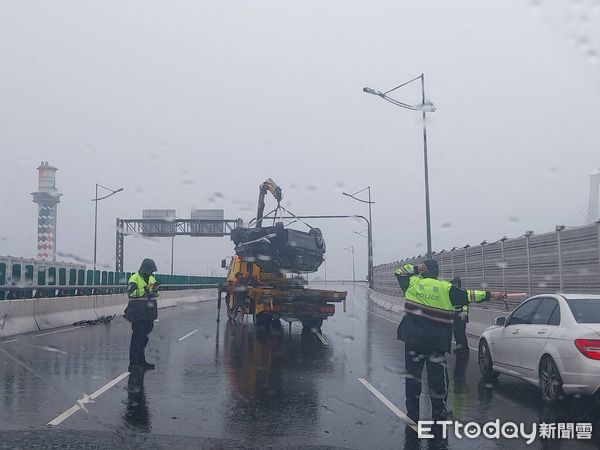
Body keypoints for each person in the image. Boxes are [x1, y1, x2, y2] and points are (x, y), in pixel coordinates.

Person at [395, 260, 505, 423]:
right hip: (436, 342)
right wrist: (491, 294)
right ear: (437, 272)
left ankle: (412, 414)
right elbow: (468, 295)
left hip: (413, 341)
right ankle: (438, 413)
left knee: (412, 378)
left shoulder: (413, 283)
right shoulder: (445, 288)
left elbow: (399, 272)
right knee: (438, 380)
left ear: (423, 271)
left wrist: (415, 268)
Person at [125, 258, 159, 371]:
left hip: (149, 313)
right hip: (137, 313)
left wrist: (155, 289)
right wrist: (145, 289)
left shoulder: (152, 278)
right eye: (150, 270)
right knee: (137, 339)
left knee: (145, 338)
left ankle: (142, 361)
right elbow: (131, 293)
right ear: (145, 269)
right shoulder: (134, 278)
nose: (151, 273)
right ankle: (133, 363)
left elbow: (155, 294)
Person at [451, 276, 491, 356]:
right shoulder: (462, 293)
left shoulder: (460, 294)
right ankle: (461, 348)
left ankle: (464, 349)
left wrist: (488, 295)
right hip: (460, 317)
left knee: (460, 334)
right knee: (458, 333)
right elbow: (477, 298)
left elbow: (477, 297)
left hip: (460, 317)